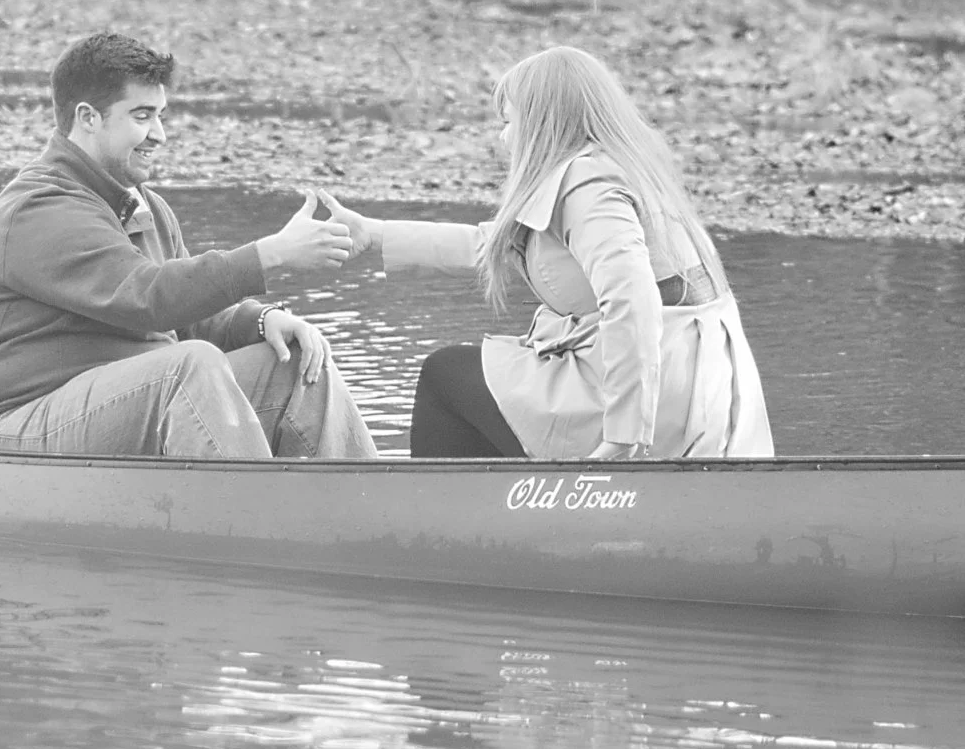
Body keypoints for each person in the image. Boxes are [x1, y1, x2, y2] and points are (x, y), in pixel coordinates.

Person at [0, 32, 379, 461]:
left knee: (296, 363)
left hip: (111, 402)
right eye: (142, 116)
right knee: (188, 367)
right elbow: (148, 298)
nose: (160, 134)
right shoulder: (40, 208)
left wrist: (262, 320)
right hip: (8, 426)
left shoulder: (140, 204)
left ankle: (367, 501)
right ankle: (256, 508)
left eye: (160, 115)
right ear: (88, 117)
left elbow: (186, 318)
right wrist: (272, 253)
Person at [324, 45, 771, 461]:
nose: (505, 138)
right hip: (691, 384)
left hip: (659, 399)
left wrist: (623, 432)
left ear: (543, 123)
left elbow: (632, 301)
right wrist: (373, 233)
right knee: (478, 381)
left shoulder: (587, 185)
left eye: (509, 121)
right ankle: (508, 507)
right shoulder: (619, 165)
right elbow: (492, 244)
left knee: (444, 376)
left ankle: (440, 512)